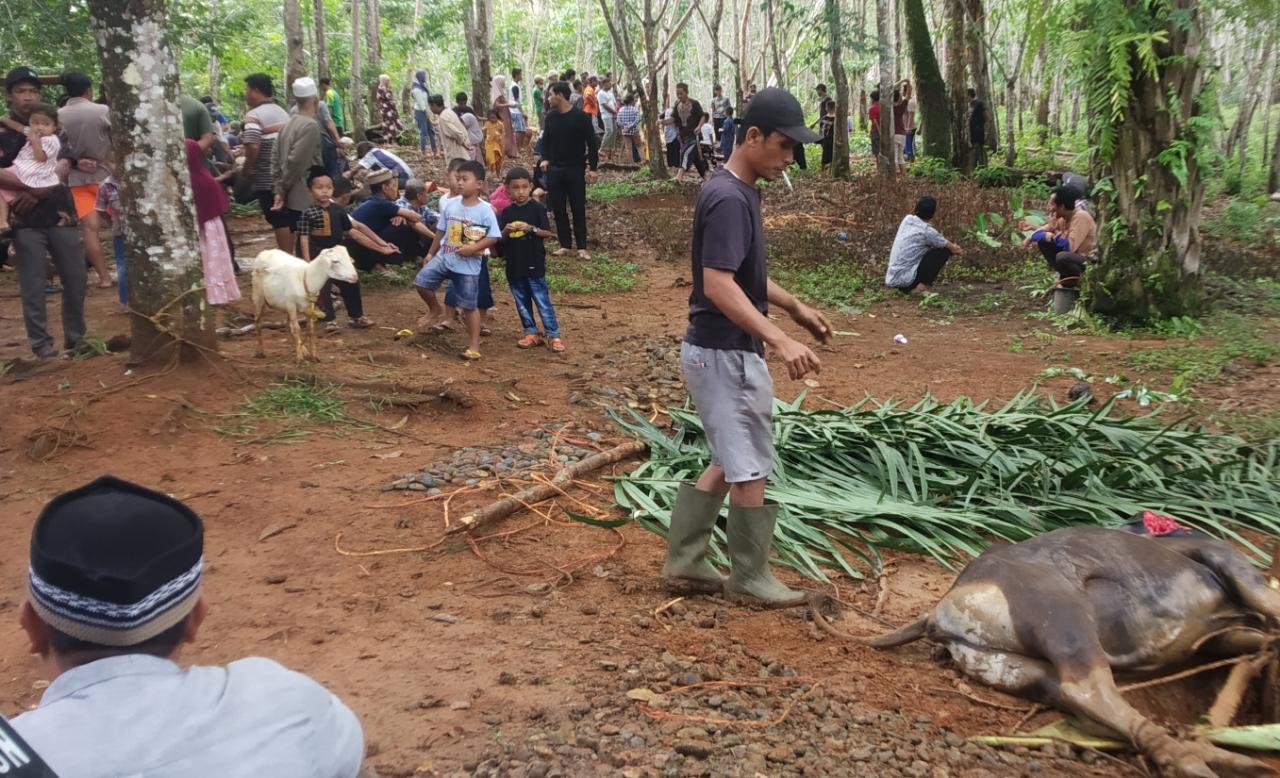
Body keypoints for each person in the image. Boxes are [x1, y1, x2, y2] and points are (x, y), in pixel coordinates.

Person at [11, 475, 365, 777]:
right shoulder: (287, 702)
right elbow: (347, 756)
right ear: (196, 619)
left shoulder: (17, 754)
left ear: (32, 626)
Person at [666, 87, 831, 608]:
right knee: (750, 463)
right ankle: (750, 575)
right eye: (784, 147)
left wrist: (793, 307)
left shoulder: (735, 190)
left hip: (718, 351)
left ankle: (687, 561)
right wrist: (779, 339)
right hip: (725, 354)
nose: (788, 160)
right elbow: (717, 285)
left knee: (728, 456)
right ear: (753, 136)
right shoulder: (730, 198)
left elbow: (741, 276)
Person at [0, 67, 88, 360]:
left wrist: (40, 188)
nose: (27, 97)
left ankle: (76, 339)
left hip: (61, 212)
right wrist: (29, 186)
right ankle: (42, 344)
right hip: (24, 219)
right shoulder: (2, 130)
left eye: (33, 91)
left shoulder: (53, 125)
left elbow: (66, 161)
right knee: (33, 282)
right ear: (9, 95)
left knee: (75, 276)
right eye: (20, 91)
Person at [414, 159, 501, 360]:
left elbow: (493, 237)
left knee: (469, 307)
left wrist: (473, 249)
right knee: (421, 282)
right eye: (458, 178)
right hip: (445, 256)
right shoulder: (450, 204)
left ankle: (473, 346)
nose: (460, 182)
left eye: (465, 179)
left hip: (468, 266)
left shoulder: (485, 209)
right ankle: (435, 309)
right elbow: (441, 230)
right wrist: (430, 253)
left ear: (479, 184)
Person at [296, 173, 377, 330]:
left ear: (333, 189)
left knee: (350, 282)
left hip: (338, 254)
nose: (324, 191)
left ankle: (356, 316)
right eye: (319, 188)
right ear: (310, 190)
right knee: (323, 288)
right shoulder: (307, 214)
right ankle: (330, 320)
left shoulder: (338, 210)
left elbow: (349, 230)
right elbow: (304, 238)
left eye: (328, 187)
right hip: (318, 256)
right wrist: (307, 261)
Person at [57, 72, 114, 289]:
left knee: (90, 229)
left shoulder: (58, 115)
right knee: (121, 223)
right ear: (88, 90)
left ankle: (104, 278)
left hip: (76, 179)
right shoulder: (102, 111)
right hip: (105, 176)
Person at [500, 167, 563, 352]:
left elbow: (547, 233)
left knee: (542, 300)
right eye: (516, 188)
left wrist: (531, 229)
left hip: (534, 262)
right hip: (514, 264)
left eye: (524, 187)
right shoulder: (506, 213)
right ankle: (531, 332)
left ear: (530, 187)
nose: (520, 192)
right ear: (507, 189)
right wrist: (505, 231)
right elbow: (498, 238)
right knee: (521, 300)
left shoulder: (537, 208)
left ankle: (553, 334)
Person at [539, 81, 599, 260]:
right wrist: (544, 158)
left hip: (575, 169)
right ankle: (565, 244)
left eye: (551, 94)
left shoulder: (580, 117)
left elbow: (592, 144)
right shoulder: (550, 117)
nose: (549, 98)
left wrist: (593, 168)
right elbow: (545, 141)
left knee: (577, 207)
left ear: (559, 95)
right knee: (558, 208)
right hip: (555, 169)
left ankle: (582, 246)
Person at [180, 138, 240, 307]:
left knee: (209, 257)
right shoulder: (202, 175)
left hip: (206, 228)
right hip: (212, 225)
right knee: (214, 256)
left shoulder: (193, 180)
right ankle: (216, 291)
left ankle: (213, 291)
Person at [242, 73, 293, 252]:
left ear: (255, 91)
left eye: (247, 90)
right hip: (289, 173)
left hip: (267, 176)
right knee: (288, 217)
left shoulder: (253, 116)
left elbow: (253, 146)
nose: (246, 94)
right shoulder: (282, 112)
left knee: (278, 219)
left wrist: (247, 168)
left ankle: (287, 259)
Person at [272, 77, 324, 249]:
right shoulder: (310, 125)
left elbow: (275, 158)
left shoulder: (287, 124)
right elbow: (296, 162)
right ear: (315, 100)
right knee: (308, 241)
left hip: (291, 190)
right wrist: (283, 188)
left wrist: (279, 189)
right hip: (303, 191)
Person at [0, 103, 65, 235]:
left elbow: (41, 158)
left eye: (45, 124)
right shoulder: (31, 131)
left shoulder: (51, 140)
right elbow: (19, 127)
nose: (39, 127)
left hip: (32, 172)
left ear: (54, 126)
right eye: (35, 123)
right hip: (21, 168)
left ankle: (3, 220)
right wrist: (4, 120)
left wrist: (35, 142)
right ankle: (6, 220)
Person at [349, 168, 426, 274]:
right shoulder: (381, 203)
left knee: (399, 222)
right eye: (393, 186)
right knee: (403, 226)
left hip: (356, 245)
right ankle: (403, 259)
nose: (396, 189)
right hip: (359, 247)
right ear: (385, 188)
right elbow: (416, 217)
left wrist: (400, 215)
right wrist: (404, 215)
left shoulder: (373, 201)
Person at [1023, 185, 1096, 289]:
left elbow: (1069, 247)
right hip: (1074, 258)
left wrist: (1051, 236)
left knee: (1062, 256)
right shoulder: (1063, 217)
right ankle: (1067, 278)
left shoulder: (1080, 217)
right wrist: (1030, 238)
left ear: (1061, 207)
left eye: (1052, 204)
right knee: (1043, 243)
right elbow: (1046, 228)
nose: (1049, 206)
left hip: (1087, 261)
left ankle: (1078, 279)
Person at [885, 196, 963, 293]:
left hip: (892, 279)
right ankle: (922, 286)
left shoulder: (907, 220)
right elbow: (949, 246)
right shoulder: (927, 232)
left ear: (916, 209)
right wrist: (957, 249)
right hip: (907, 281)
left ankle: (914, 287)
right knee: (944, 251)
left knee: (934, 248)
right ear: (932, 213)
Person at [95, 177, 127, 305]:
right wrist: (112, 222)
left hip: (147, 233)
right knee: (123, 267)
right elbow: (100, 209)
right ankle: (126, 302)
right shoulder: (105, 186)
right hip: (120, 232)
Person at [673, 83, 708, 182]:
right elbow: (673, 118)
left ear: (686, 92)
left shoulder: (695, 104)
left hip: (693, 136)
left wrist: (699, 126)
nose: (679, 96)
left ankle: (679, 177)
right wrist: (662, 122)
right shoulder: (677, 105)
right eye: (677, 94)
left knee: (685, 153)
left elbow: (703, 116)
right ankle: (706, 179)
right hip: (683, 137)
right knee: (697, 159)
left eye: (681, 93)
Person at [432, 94, 471, 164]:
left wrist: (464, 144)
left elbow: (457, 133)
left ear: (434, 105)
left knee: (458, 172)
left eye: (430, 106)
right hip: (459, 151)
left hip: (456, 153)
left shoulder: (443, 117)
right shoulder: (449, 112)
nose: (430, 109)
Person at [411, 70, 437, 158]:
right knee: (424, 131)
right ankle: (423, 151)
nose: (425, 77)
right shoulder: (416, 89)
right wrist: (426, 112)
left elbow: (428, 99)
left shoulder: (423, 87)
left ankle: (435, 150)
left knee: (431, 131)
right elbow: (420, 103)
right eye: (423, 76)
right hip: (420, 112)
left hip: (427, 110)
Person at [509, 68, 530, 155]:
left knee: (521, 130)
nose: (521, 76)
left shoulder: (515, 85)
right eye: (520, 74)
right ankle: (518, 148)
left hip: (515, 110)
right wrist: (522, 112)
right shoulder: (514, 86)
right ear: (516, 75)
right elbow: (517, 101)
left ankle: (520, 147)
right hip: (515, 111)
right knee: (518, 130)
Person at [616, 94, 642, 164]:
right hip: (634, 130)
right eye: (633, 100)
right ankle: (643, 161)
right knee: (639, 146)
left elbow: (618, 121)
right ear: (631, 101)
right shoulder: (634, 109)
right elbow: (638, 119)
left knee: (628, 147)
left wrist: (625, 127)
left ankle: (631, 163)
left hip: (625, 131)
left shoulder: (621, 110)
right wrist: (630, 126)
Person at [597, 76, 618, 160]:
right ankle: (602, 149)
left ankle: (612, 149)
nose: (610, 84)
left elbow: (614, 102)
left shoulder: (610, 92)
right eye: (609, 83)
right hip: (606, 115)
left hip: (613, 114)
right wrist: (613, 112)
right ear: (604, 84)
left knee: (614, 131)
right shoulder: (600, 93)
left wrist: (615, 110)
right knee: (609, 131)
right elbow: (604, 105)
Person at [377, 74, 403, 141]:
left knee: (391, 121)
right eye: (387, 80)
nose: (388, 81)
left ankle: (391, 138)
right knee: (389, 122)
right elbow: (386, 96)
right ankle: (389, 139)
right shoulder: (381, 88)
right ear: (384, 80)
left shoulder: (386, 87)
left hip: (389, 107)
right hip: (386, 108)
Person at [967, 88, 987, 168]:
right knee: (974, 150)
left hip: (979, 131)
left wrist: (980, 125)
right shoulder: (970, 105)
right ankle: (974, 169)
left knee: (980, 150)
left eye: (966, 96)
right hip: (972, 133)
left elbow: (985, 116)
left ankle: (983, 168)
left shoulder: (979, 103)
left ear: (969, 95)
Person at [484, 108, 505, 176]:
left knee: (498, 160)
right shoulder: (487, 123)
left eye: (494, 117)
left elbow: (503, 133)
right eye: (490, 118)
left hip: (498, 144)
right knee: (490, 159)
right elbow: (484, 132)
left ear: (497, 117)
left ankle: (498, 174)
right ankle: (492, 174)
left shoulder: (500, 124)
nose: (492, 119)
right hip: (489, 144)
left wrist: (500, 137)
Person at [892, 88, 907, 173]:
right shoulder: (902, 106)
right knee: (901, 157)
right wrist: (907, 82)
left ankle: (893, 179)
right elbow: (908, 95)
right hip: (902, 134)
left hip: (894, 134)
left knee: (894, 158)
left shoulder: (889, 108)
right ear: (899, 98)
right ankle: (904, 178)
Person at [901, 80, 917, 161]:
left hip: (910, 127)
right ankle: (908, 159)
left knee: (910, 144)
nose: (902, 92)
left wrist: (908, 128)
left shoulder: (911, 101)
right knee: (906, 144)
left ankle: (912, 159)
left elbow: (911, 115)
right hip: (905, 126)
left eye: (903, 91)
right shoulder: (905, 101)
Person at [819, 99, 836, 171]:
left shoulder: (824, 118)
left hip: (826, 138)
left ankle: (822, 171)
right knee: (832, 154)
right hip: (833, 138)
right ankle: (830, 171)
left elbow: (821, 128)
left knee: (824, 154)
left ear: (827, 108)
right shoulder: (837, 118)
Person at [868, 89, 882, 158]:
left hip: (876, 131)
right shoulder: (883, 107)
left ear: (872, 98)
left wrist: (879, 133)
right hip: (884, 130)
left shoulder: (872, 108)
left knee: (877, 152)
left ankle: (879, 167)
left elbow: (874, 122)